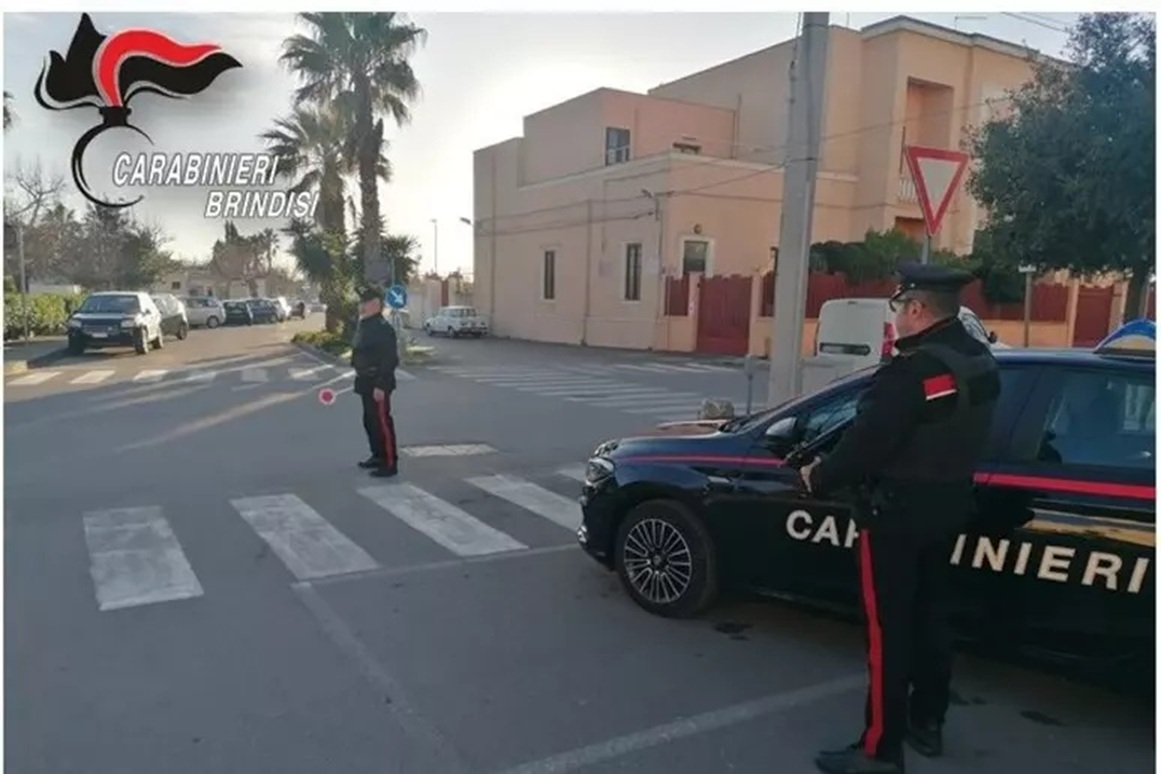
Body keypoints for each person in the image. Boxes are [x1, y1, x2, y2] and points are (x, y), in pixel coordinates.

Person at [799, 263, 1001, 774]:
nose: (895, 318)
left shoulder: (909, 374)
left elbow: (863, 446)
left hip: (895, 518)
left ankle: (880, 751)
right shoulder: (979, 360)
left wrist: (817, 477)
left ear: (916, 308)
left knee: (888, 635)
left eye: (898, 306)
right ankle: (927, 721)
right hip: (949, 508)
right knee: (933, 618)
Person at [350, 286, 400, 478]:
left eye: (365, 302)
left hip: (377, 382)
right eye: (361, 302)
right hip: (365, 381)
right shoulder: (365, 324)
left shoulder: (382, 328)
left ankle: (389, 462)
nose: (361, 306)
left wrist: (381, 385)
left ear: (376, 304)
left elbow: (389, 359)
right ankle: (377, 455)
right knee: (369, 421)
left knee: (382, 423)